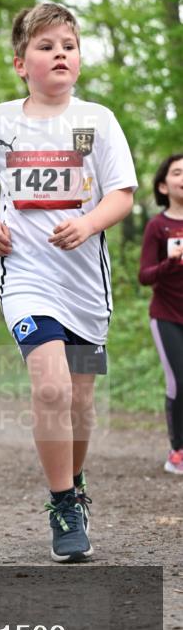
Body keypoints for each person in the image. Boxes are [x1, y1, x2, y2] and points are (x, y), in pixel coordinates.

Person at [0, 3, 136, 564]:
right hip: (27, 274)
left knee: (80, 401)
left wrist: (88, 222)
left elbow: (122, 195)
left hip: (85, 283)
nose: (60, 53)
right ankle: (62, 503)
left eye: (68, 44)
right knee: (52, 387)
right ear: (21, 63)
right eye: (46, 46)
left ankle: (75, 484)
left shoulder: (98, 121)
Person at [139, 153, 183, 475]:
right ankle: (177, 450)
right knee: (179, 382)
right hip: (167, 314)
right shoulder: (158, 226)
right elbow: (145, 275)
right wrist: (171, 263)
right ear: (163, 185)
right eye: (177, 173)